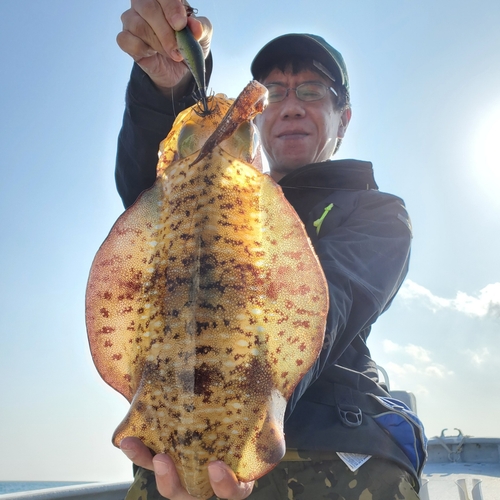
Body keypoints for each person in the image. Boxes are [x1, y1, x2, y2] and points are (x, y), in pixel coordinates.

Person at [114, 1, 426, 499]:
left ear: (342, 120)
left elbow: (329, 306)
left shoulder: (377, 213)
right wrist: (167, 90)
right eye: (276, 92)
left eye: (312, 91)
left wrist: (251, 413)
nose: (293, 104)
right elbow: (149, 198)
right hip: (181, 434)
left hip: (335, 443)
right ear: (257, 119)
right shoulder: (204, 189)